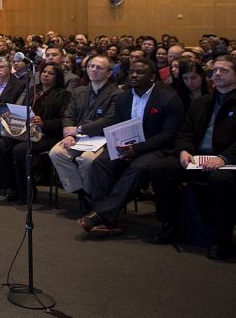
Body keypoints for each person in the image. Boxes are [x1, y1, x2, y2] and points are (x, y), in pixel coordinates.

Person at [78, 59, 183, 237]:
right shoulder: (124, 97)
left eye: (140, 72)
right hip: (128, 145)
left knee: (138, 168)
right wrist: (121, 146)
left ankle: (101, 215)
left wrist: (137, 149)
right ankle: (107, 220)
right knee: (100, 163)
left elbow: (168, 135)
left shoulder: (169, 98)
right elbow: (119, 125)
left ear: (152, 77)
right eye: (132, 71)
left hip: (157, 149)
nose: (134, 75)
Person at [148, 55, 236, 259]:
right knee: (160, 169)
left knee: (220, 179)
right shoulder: (202, 103)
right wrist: (183, 151)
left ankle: (221, 239)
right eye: (215, 70)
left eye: (224, 70)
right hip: (198, 158)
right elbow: (185, 132)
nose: (218, 74)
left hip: (228, 162)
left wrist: (224, 158)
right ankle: (172, 224)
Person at [48, 54, 122, 209]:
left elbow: (109, 120)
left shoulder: (116, 94)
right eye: (91, 66)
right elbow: (68, 115)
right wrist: (70, 135)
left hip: (102, 138)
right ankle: (82, 191)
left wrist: (79, 129)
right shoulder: (79, 91)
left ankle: (90, 195)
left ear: (108, 73)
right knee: (57, 153)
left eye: (99, 67)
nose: (93, 70)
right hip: (79, 137)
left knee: (88, 161)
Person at [0, 64, 70, 205]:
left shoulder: (63, 94)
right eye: (44, 72)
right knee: (0, 145)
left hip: (48, 135)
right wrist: (11, 116)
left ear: (57, 77)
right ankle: (12, 187)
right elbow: (23, 112)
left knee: (20, 150)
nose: (45, 75)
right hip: (26, 132)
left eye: (50, 73)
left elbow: (63, 120)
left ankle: (27, 191)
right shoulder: (33, 90)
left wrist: (44, 122)